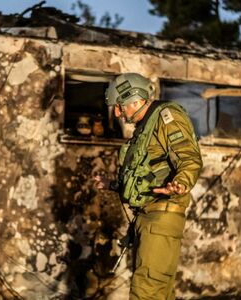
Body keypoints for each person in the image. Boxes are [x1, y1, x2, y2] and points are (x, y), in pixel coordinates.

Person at [95, 73, 202, 299]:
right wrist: (114, 185)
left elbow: (190, 159)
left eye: (119, 106)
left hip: (161, 216)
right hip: (149, 217)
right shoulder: (146, 126)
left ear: (136, 99)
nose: (117, 113)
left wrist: (180, 183)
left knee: (147, 291)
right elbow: (145, 174)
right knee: (158, 293)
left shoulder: (166, 117)